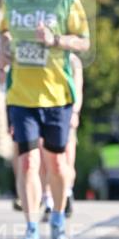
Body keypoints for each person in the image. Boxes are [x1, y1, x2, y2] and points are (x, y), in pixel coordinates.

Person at [0, 0, 89, 239]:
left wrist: (55, 40)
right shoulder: (12, 2)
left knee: (58, 164)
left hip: (57, 96)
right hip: (21, 96)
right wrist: (3, 47)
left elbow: (84, 42)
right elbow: (3, 33)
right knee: (27, 162)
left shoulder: (66, 2)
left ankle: (59, 220)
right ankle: (31, 229)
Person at [40, 53, 83, 219]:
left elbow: (77, 88)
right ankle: (49, 201)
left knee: (67, 159)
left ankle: (67, 192)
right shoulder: (42, 55)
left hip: (65, 112)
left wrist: (75, 112)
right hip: (43, 112)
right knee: (45, 162)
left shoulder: (72, 60)